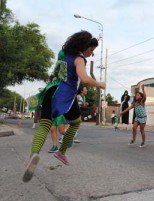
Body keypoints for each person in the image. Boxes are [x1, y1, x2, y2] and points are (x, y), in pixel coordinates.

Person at [23, 31, 106, 183]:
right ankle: (61, 152)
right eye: (91, 50)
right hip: (64, 95)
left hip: (51, 90)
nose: (91, 54)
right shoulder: (79, 59)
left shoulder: (63, 52)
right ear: (84, 46)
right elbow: (85, 78)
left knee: (44, 125)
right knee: (76, 122)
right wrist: (100, 84)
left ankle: (33, 156)